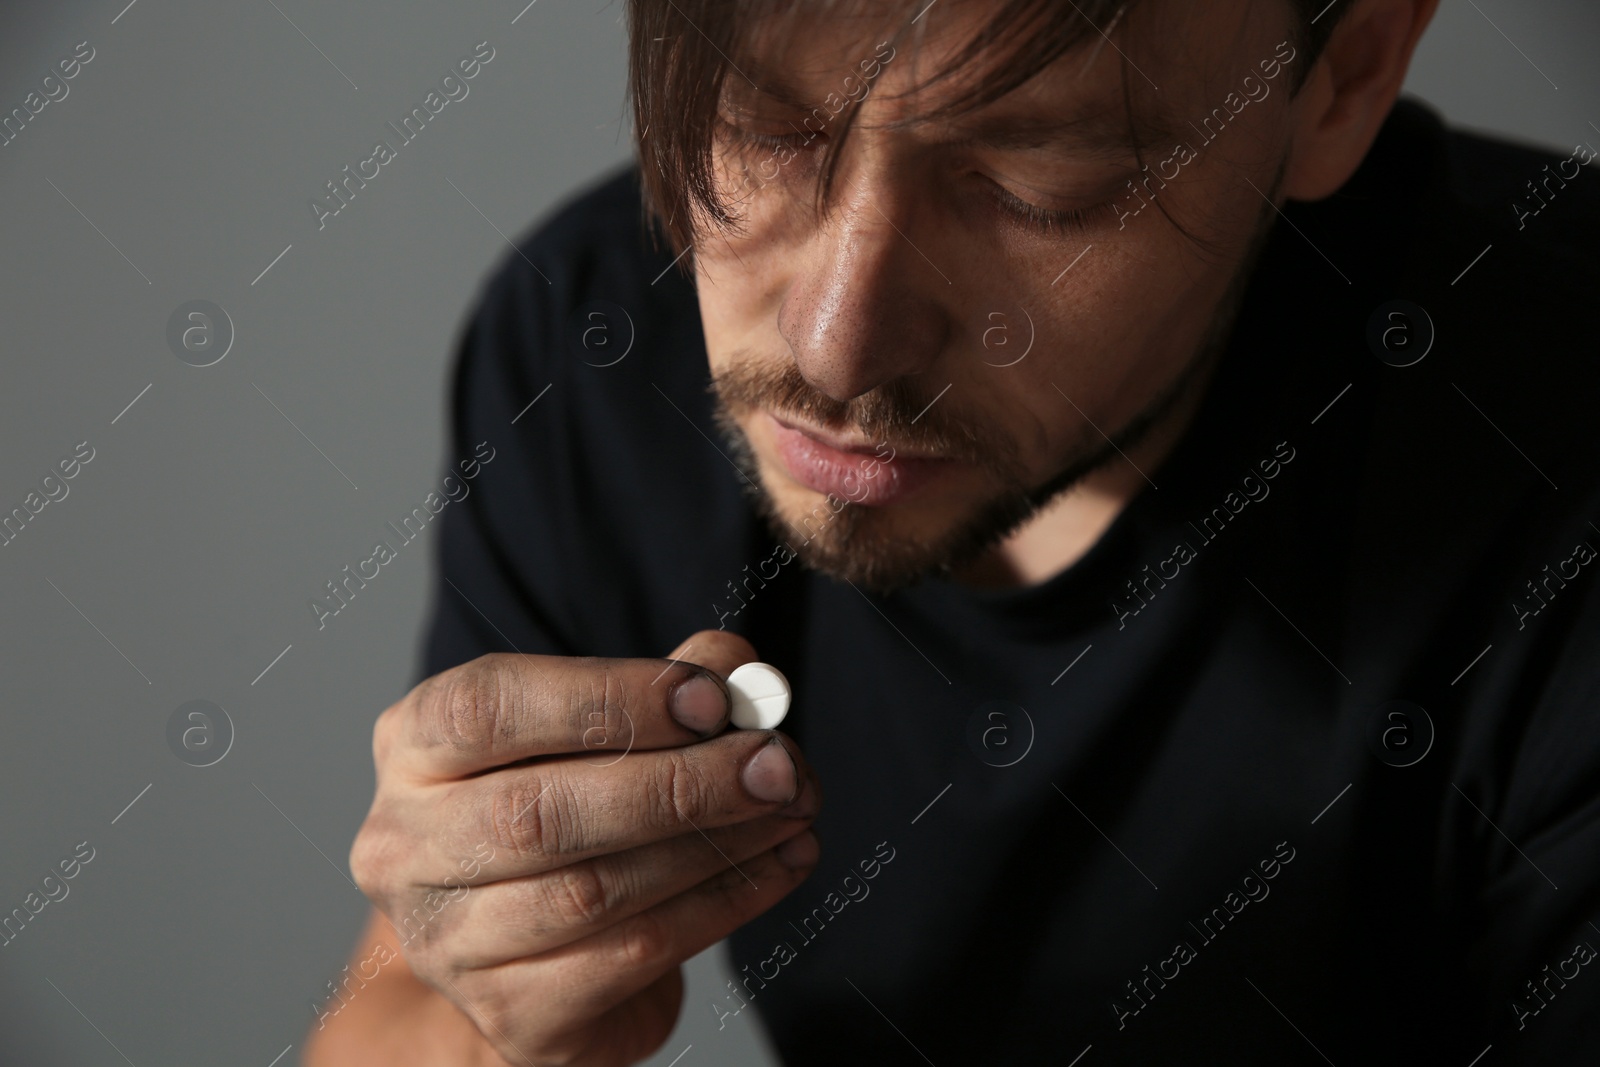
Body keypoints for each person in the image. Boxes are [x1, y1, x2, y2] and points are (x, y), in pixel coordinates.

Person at [305, 0, 1600, 1062]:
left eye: (1038, 187)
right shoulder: (588, 352)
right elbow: (389, 1017)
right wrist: (503, 1028)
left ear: (1345, 68)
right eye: (757, 127)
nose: (835, 342)